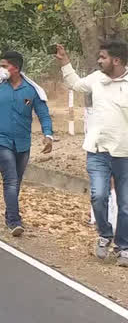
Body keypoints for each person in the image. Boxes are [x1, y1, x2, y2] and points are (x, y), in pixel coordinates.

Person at [56, 41, 128, 265]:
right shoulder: (96, 79)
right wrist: (65, 61)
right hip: (97, 150)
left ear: (116, 60)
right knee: (98, 196)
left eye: (103, 57)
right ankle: (104, 235)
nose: (99, 61)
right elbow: (76, 84)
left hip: (124, 153)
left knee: (125, 203)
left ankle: (123, 247)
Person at [0, 51, 53, 237]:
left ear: (15, 68)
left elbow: (43, 114)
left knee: (16, 181)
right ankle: (15, 221)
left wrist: (48, 134)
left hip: (23, 143)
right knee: (11, 180)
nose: (1, 69)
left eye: (5, 65)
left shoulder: (32, 90)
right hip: (0, 140)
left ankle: (9, 214)